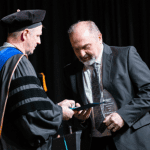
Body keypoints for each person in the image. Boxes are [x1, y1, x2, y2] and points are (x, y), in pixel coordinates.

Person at [63, 20, 150, 150]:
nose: (81, 54)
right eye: (76, 49)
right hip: (94, 144)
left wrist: (124, 116)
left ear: (99, 37)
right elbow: (74, 115)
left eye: (86, 46)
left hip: (132, 140)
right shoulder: (70, 71)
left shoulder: (125, 55)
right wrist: (79, 118)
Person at [0, 10, 75, 150]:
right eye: (38, 36)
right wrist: (59, 112)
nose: (39, 42)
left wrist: (54, 107)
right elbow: (31, 115)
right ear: (25, 34)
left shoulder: (2, 58)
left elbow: (23, 105)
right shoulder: (18, 62)